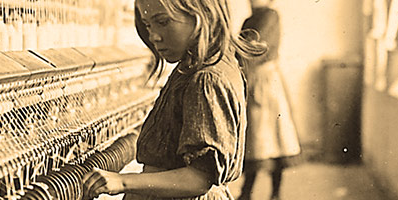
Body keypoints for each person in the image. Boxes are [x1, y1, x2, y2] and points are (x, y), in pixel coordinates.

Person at [86, 0, 265, 199]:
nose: (154, 36)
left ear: (202, 14)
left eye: (162, 22)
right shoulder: (199, 67)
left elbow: (199, 179)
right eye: (147, 25)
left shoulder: (206, 79)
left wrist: (122, 181)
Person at [233, 1, 303, 199]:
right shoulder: (248, 20)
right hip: (251, 78)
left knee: (276, 136)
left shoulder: (270, 15)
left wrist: (237, 49)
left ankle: (275, 192)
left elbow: (255, 46)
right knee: (255, 138)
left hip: (266, 81)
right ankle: (247, 192)